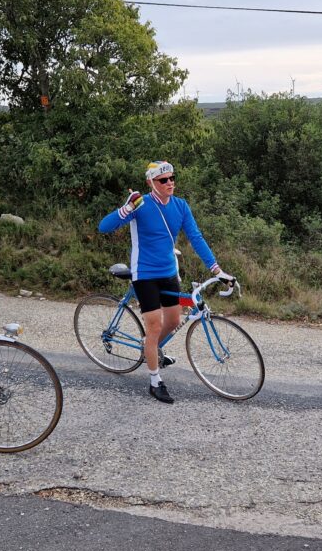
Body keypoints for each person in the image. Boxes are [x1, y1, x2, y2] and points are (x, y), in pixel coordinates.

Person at [98, 161, 233, 404]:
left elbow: (196, 237)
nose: (170, 183)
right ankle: (154, 380)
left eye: (172, 178)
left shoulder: (181, 206)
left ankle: (148, 347)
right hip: (145, 274)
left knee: (172, 321)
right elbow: (104, 227)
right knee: (154, 326)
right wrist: (127, 208)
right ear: (152, 182)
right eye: (164, 180)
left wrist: (217, 269)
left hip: (169, 272)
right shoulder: (140, 205)